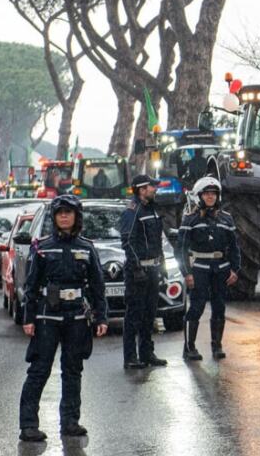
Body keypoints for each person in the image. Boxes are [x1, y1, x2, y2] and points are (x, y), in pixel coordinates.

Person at [18, 195, 108, 442]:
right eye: (60, 213)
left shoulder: (86, 247)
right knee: (39, 370)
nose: (64, 216)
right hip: (48, 316)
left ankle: (70, 422)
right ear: (54, 218)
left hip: (77, 317)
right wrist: (28, 318)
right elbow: (31, 286)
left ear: (76, 217)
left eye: (69, 213)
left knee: (73, 371)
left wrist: (101, 317)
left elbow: (97, 286)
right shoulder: (43, 247)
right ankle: (28, 425)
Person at [176, 176, 240, 361]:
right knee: (196, 307)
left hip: (221, 269)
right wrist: (187, 273)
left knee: (219, 308)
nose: (211, 197)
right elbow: (180, 249)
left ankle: (217, 345)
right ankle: (189, 348)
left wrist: (235, 270)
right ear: (200, 196)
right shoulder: (190, 220)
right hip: (200, 269)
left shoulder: (227, 219)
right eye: (207, 194)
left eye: (214, 194)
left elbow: (234, 247)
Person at [119, 174, 167, 369]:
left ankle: (147, 353)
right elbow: (128, 242)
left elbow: (158, 241)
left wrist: (161, 266)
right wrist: (137, 268)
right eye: (151, 187)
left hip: (153, 269)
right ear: (141, 190)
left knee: (149, 314)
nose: (154, 190)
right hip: (138, 272)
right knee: (134, 315)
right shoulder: (132, 211)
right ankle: (130, 357)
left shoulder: (153, 210)